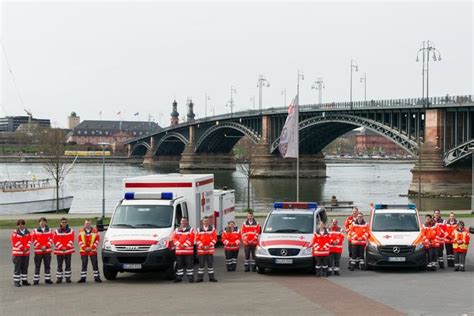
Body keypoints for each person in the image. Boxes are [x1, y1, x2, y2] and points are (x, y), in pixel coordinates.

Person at [171, 217, 195, 283]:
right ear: (180, 222)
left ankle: (190, 277)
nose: (183, 222)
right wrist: (179, 244)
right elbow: (174, 238)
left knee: (189, 264)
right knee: (179, 265)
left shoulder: (191, 229)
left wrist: (184, 245)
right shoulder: (176, 230)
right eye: (182, 221)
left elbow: (191, 238)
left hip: (188, 251)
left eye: (185, 221)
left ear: (187, 222)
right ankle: (179, 277)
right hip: (179, 251)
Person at [195, 216, 217, 282]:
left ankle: (211, 278)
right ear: (202, 222)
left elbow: (215, 239)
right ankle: (200, 278)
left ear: (208, 221)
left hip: (210, 250)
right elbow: (197, 239)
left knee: (210, 264)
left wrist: (209, 246)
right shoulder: (199, 229)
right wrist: (202, 246)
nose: (206, 222)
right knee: (201, 265)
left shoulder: (212, 229)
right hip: (201, 250)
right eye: (204, 221)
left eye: (207, 221)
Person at [32, 217, 53, 285]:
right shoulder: (35, 231)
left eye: (44, 222)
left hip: (47, 251)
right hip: (38, 251)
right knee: (37, 266)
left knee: (47, 266)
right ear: (39, 223)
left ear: (46, 223)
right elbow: (34, 240)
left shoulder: (50, 230)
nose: (42, 223)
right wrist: (40, 246)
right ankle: (36, 280)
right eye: (41, 222)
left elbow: (51, 239)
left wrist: (46, 246)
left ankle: (47, 279)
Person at [53, 217, 75, 283]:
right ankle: (59, 278)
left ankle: (68, 278)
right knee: (59, 265)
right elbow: (55, 240)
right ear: (60, 223)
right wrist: (61, 247)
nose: (64, 223)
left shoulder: (71, 231)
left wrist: (67, 247)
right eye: (63, 222)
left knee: (68, 264)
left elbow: (72, 240)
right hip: (59, 251)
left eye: (65, 222)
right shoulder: (56, 231)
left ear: (67, 223)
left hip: (68, 250)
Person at [11, 219, 32, 287]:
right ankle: (16, 281)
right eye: (19, 224)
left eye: (22, 224)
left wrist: (27, 247)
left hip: (26, 253)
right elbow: (16, 242)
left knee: (25, 267)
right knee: (17, 268)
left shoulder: (28, 232)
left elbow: (29, 240)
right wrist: (23, 248)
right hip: (18, 253)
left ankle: (24, 280)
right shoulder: (15, 233)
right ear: (17, 225)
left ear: (24, 224)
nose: (21, 225)